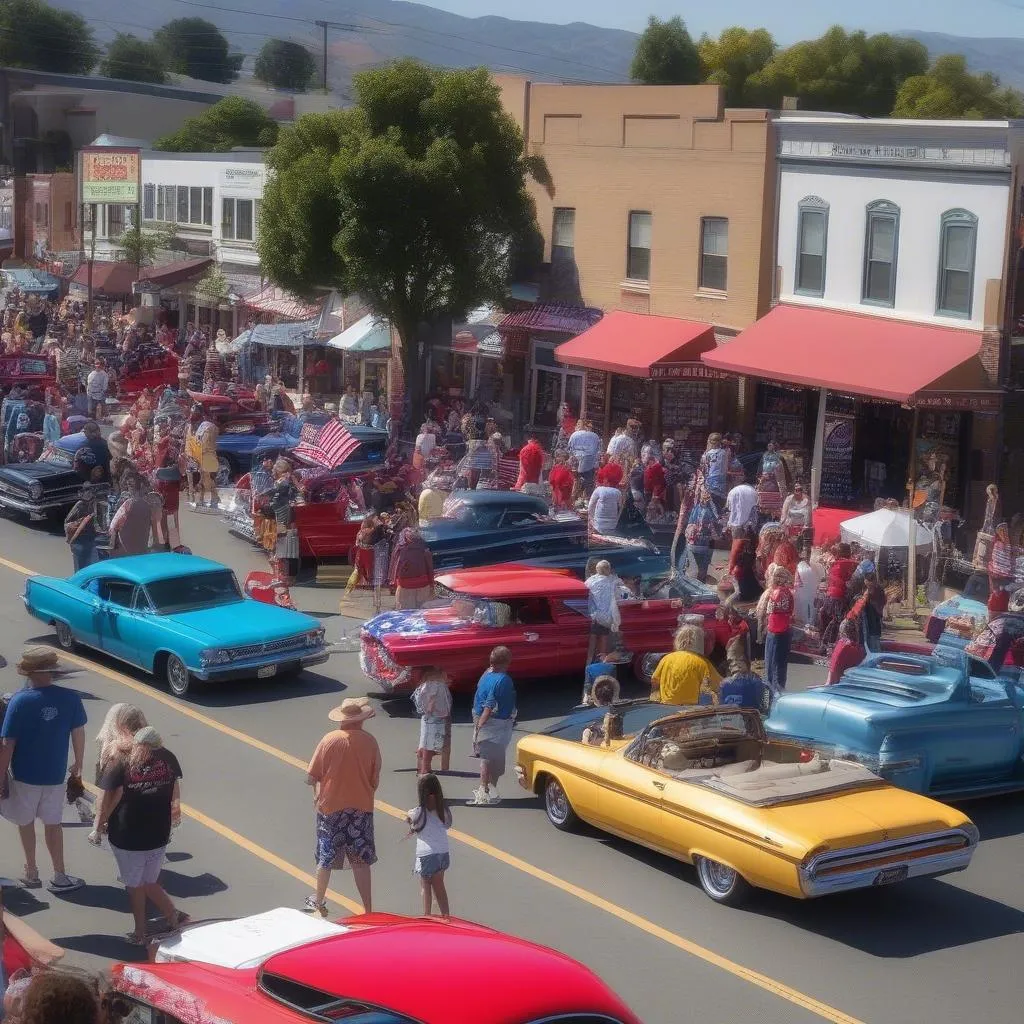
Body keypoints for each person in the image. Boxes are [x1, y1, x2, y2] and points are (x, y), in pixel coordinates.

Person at [0, 647, 86, 893]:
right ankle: (59, 875)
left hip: (25, 774)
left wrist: (0, 775)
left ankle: (32, 871)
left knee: (25, 822)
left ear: (30, 673)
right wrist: (78, 764)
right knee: (53, 823)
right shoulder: (70, 698)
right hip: (55, 774)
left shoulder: (19, 701)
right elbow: (78, 733)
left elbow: (8, 743)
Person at [94, 727, 186, 945]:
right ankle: (172, 915)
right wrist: (175, 812)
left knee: (135, 886)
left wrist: (99, 824)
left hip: (127, 836)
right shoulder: (168, 758)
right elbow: (174, 788)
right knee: (148, 881)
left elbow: (108, 796)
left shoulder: (122, 764)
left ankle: (140, 933)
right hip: (159, 833)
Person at [305, 698, 381, 916]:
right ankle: (367, 909)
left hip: (331, 806)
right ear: (361, 720)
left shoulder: (329, 740)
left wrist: (317, 795)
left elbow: (312, 777)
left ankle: (318, 900)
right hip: (361, 807)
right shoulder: (370, 742)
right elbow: (374, 780)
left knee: (326, 854)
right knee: (361, 858)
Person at [469, 646, 517, 806]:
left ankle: (486, 791)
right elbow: (489, 706)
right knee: (492, 760)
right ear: (508, 661)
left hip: (479, 716)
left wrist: (477, 728)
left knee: (486, 758)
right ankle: (487, 792)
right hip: (496, 723)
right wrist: (480, 728)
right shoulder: (503, 680)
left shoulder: (486, 674)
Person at [405, 774, 452, 918]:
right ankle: (445, 915)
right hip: (443, 852)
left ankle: (428, 915)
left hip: (427, 854)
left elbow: (409, 819)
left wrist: (412, 826)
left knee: (426, 885)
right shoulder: (443, 810)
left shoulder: (418, 812)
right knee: (439, 885)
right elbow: (447, 824)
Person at [650, 623, 721, 705]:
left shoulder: (666, 659)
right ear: (699, 642)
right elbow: (718, 685)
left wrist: (655, 700)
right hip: (691, 708)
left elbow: (655, 680)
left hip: (667, 706)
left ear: (677, 640)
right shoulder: (702, 662)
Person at [411, 668, 453, 776]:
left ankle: (421, 768)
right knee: (429, 746)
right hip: (434, 717)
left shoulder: (425, 684)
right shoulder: (435, 685)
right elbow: (432, 699)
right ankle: (425, 769)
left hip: (429, 716)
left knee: (425, 743)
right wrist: (430, 711)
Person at [584, 560, 621, 669]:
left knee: (592, 640)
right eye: (609, 568)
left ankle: (589, 663)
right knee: (603, 641)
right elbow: (621, 591)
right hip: (605, 618)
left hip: (594, 616)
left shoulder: (590, 581)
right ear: (607, 569)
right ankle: (601, 664)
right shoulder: (612, 581)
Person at [764, 565, 795, 694]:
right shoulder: (788, 593)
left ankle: (771, 695)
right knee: (781, 667)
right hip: (784, 630)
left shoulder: (777, 593)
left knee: (772, 667)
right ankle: (779, 692)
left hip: (775, 631)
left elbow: (770, 611)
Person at [108, 474, 156, 557]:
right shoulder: (152, 503)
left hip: (126, 548)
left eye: (129, 484)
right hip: (143, 547)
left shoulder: (128, 504)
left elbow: (113, 526)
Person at [819, 543, 858, 644]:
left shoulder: (836, 564)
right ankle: (831, 644)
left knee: (828, 621)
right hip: (838, 597)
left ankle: (825, 643)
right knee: (836, 623)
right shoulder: (847, 564)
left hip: (829, 596)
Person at [685, 486, 721, 583]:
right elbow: (717, 521)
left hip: (693, 543)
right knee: (703, 567)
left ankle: (697, 581)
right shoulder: (711, 510)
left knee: (696, 566)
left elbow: (689, 523)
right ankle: (701, 581)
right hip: (705, 543)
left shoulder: (695, 508)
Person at [64, 483, 103, 570]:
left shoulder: (95, 504)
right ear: (82, 493)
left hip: (91, 538)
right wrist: (82, 522)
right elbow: (67, 522)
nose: (89, 493)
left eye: (91, 490)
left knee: (93, 567)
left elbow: (100, 520)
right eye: (86, 490)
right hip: (79, 540)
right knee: (80, 567)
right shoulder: (79, 505)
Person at [392, 528, 434, 609]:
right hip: (423, 584)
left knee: (406, 613)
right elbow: (430, 569)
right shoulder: (425, 549)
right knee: (422, 612)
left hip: (405, 586)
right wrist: (431, 584)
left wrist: (395, 584)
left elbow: (396, 569)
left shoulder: (400, 550)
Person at [567, 418, 601, 494]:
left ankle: (574, 496)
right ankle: (585, 497)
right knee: (588, 481)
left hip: (576, 460)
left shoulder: (574, 434)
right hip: (588, 462)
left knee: (576, 479)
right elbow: (597, 450)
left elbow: (569, 448)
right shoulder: (595, 436)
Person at [698, 433, 729, 510]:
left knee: (710, 504)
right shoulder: (724, 452)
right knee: (719, 503)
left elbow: (703, 467)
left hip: (711, 481)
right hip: (722, 481)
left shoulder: (708, 453)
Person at [793, 546, 822, 626]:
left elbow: (796, 583)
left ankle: (806, 624)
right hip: (808, 593)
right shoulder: (804, 566)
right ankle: (808, 624)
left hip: (805, 593)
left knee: (806, 610)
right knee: (808, 610)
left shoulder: (802, 567)